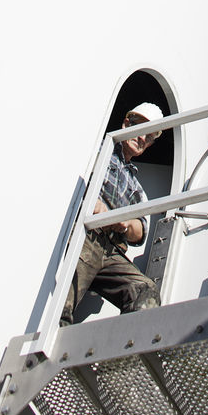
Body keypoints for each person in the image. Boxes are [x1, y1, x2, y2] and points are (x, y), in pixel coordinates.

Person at [60, 102, 164, 326]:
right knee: (63, 303)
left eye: (150, 137)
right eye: (141, 130)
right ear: (127, 123)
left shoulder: (137, 188)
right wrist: (97, 206)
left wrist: (125, 222)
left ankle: (129, 348)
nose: (143, 139)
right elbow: (76, 182)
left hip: (112, 250)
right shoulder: (98, 153)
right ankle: (53, 335)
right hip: (88, 236)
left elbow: (140, 231)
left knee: (145, 290)